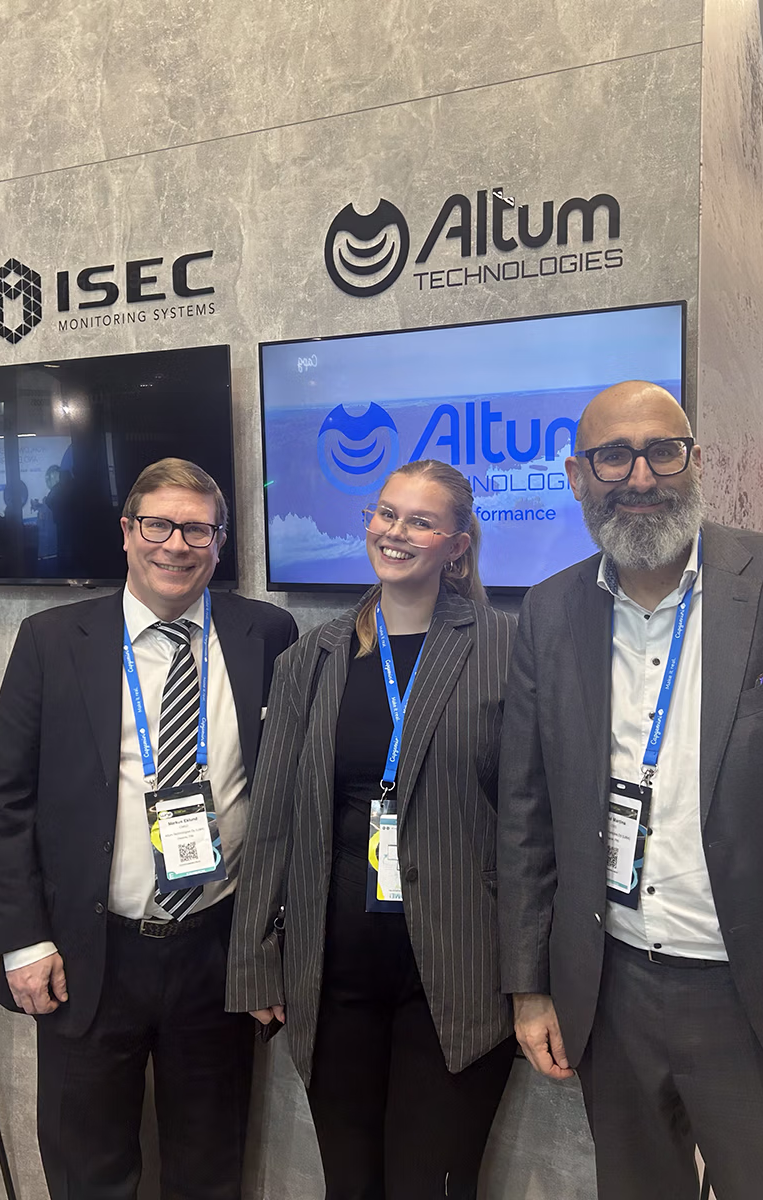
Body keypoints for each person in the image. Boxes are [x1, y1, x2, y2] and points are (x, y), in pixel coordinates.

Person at [498, 381, 763, 1199]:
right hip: (612, 988)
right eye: (613, 456)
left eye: (663, 450)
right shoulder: (552, 613)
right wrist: (530, 984)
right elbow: (528, 814)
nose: (640, 476)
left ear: (696, 460)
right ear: (576, 475)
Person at [0, 458, 298, 1199]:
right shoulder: (54, 640)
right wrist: (23, 942)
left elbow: (288, 800)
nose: (176, 545)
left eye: (197, 529)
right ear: (127, 533)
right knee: (89, 1168)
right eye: (158, 525)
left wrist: (270, 944)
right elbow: (4, 802)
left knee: (209, 1164)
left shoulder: (267, 634)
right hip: (90, 952)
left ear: (219, 543)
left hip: (218, 952)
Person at [227, 460, 516, 1199]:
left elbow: (529, 821)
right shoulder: (313, 658)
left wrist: (533, 976)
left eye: (419, 521)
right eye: (385, 514)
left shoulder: (507, 650)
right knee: (349, 1185)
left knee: (431, 1186)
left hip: (458, 974)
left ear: (456, 544)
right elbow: (275, 822)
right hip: (334, 971)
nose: (394, 532)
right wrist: (258, 958)